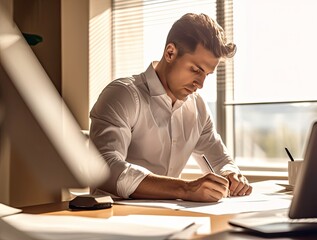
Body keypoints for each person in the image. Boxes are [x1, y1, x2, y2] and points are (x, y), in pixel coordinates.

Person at [89, 13, 252, 202]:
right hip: (110, 218)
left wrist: (231, 174)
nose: (200, 84)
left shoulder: (198, 107)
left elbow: (220, 161)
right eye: (196, 70)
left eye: (207, 74)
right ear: (170, 52)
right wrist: (185, 189)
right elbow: (104, 167)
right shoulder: (123, 95)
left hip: (170, 220)